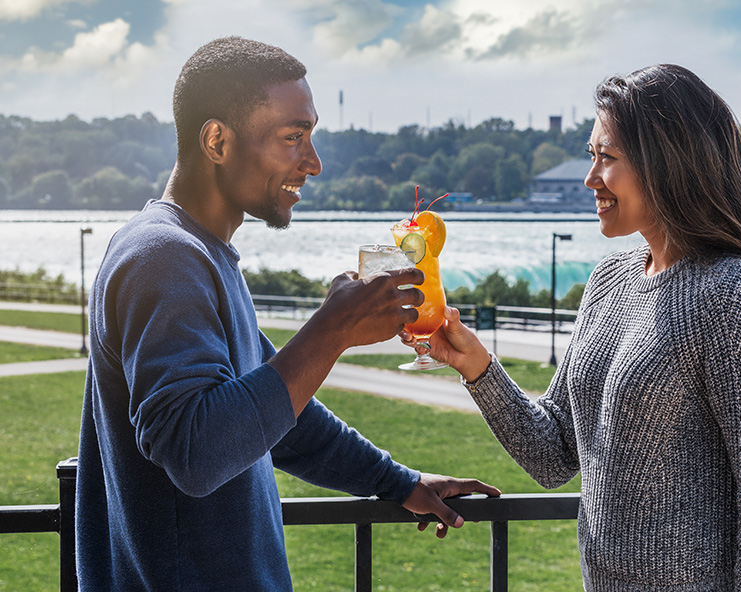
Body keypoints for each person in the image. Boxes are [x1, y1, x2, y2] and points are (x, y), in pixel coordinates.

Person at [75, 36, 499, 591]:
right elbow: (196, 451)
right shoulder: (164, 257)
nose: (314, 162)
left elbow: (280, 415)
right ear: (217, 140)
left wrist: (397, 481)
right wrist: (332, 331)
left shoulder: (198, 254)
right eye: (293, 137)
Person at [408, 64, 741, 590]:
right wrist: (476, 366)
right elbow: (554, 455)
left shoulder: (732, 294)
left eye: (608, 158)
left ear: (667, 163)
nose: (590, 179)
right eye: (591, 156)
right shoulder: (610, 281)